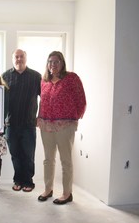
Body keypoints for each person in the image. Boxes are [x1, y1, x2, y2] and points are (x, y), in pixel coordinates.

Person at [37, 51, 86, 205]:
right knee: (48, 159)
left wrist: (73, 118)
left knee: (66, 160)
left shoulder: (72, 78)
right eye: (50, 61)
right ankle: (48, 189)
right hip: (46, 125)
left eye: (56, 61)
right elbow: (42, 102)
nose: (53, 64)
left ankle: (67, 193)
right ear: (47, 64)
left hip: (65, 125)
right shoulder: (44, 81)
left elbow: (81, 100)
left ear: (62, 63)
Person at [2, 49, 41, 192]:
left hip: (29, 123)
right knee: (15, 154)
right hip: (11, 124)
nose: (19, 59)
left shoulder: (36, 76)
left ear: (26, 58)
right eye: (16, 57)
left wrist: (40, 116)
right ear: (13, 59)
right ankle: (17, 180)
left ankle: (28, 182)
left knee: (28, 155)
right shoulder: (5, 76)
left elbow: (45, 97)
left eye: (21, 57)